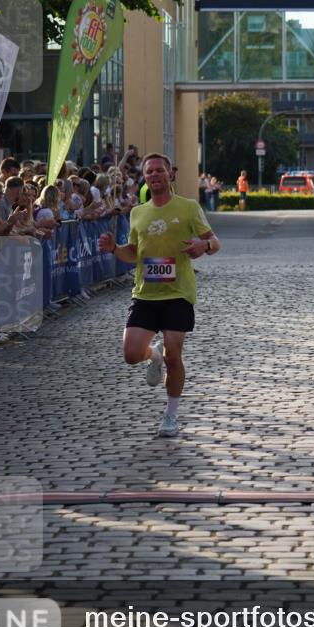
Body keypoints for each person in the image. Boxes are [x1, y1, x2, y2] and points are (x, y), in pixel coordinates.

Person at [99, 153, 220, 438]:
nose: (154, 175)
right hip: (145, 292)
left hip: (178, 292)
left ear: (170, 174)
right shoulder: (138, 213)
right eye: (149, 172)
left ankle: (170, 415)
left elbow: (215, 241)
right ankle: (152, 355)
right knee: (130, 354)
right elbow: (133, 253)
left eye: (159, 171)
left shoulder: (189, 207)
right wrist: (115, 248)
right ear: (145, 178)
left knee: (174, 354)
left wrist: (204, 245)